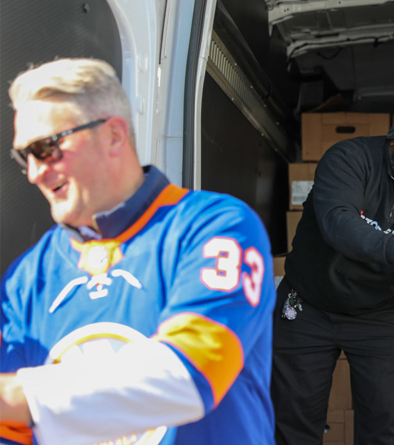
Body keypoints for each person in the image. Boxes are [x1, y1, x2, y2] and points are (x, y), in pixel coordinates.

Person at [0, 58, 275, 445]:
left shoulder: (214, 226)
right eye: (23, 156)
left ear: (114, 135)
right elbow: (12, 433)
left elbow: (189, 375)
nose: (34, 172)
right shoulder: (26, 278)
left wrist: (16, 395)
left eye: (46, 148)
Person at [273, 84, 394, 445]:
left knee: (384, 427)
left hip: (378, 315)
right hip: (308, 306)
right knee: (293, 421)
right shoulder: (349, 159)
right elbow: (339, 225)